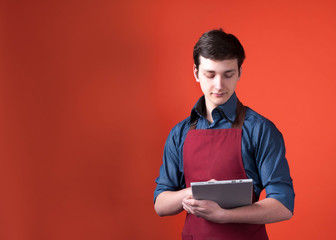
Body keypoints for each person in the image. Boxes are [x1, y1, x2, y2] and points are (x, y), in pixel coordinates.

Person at [153, 29, 295, 240]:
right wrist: (192, 192)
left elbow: (283, 205)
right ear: (196, 72)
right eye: (210, 75)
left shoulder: (260, 130)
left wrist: (223, 215)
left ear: (239, 72)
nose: (219, 85)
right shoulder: (179, 134)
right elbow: (161, 205)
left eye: (228, 74)